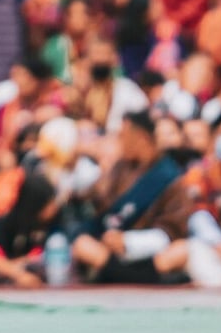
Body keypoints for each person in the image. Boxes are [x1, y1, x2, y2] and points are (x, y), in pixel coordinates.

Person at [71, 110, 191, 283]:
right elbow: (102, 209)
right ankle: (133, 277)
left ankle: (120, 276)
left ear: (140, 137)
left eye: (123, 136)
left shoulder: (170, 175)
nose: (120, 141)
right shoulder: (120, 168)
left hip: (152, 251)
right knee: (83, 245)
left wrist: (130, 242)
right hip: (113, 250)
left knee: (180, 251)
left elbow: (173, 228)